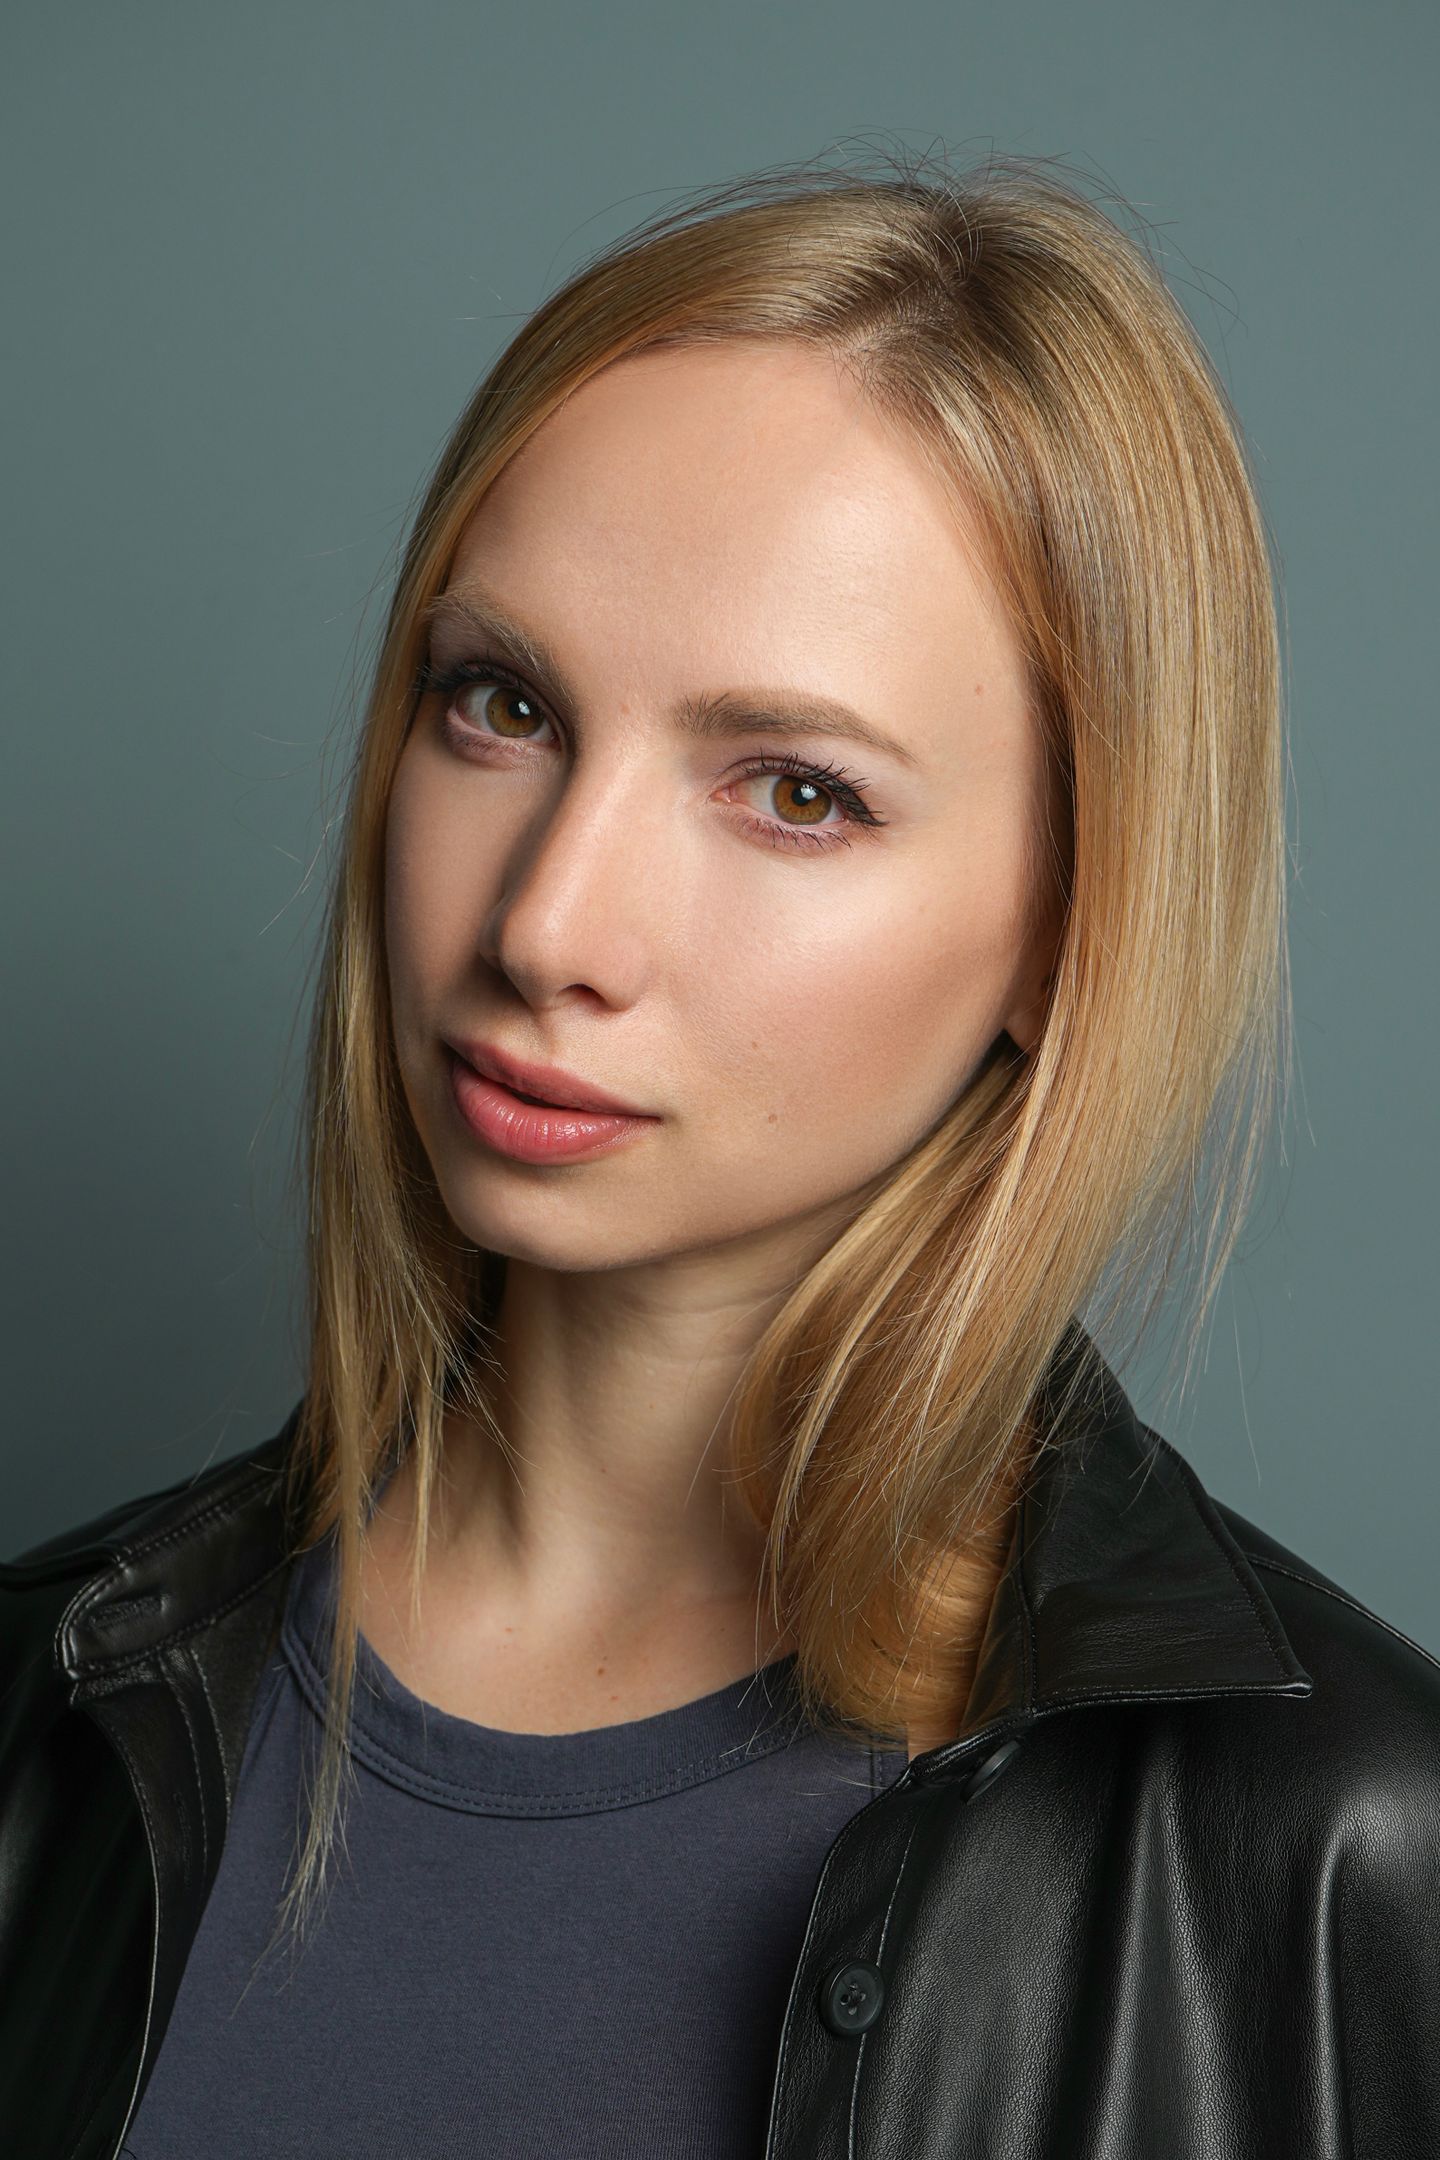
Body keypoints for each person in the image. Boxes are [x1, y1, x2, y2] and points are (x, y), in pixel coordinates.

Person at [4, 146, 1439, 2160]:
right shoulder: (38, 1714)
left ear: (1073, 929)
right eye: (500, 703)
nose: (547, 926)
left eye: (796, 793)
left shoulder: (1339, 1859)